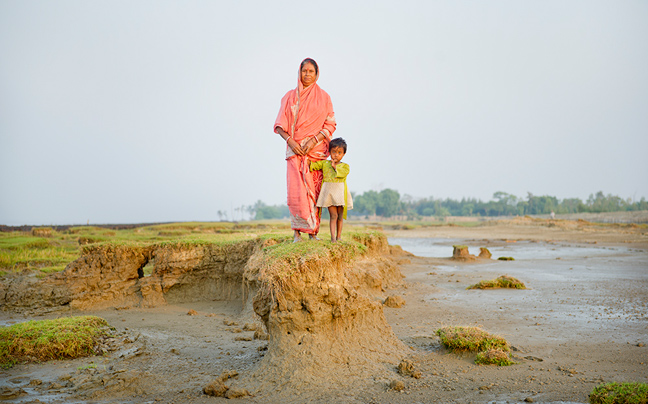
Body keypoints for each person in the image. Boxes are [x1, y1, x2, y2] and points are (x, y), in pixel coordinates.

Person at [274, 58, 336, 242]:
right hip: (295, 153)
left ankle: (313, 233)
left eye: (311, 71)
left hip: (316, 153)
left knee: (315, 194)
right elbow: (279, 126)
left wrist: (314, 141)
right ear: (299, 73)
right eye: (304, 71)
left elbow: (330, 124)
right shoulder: (289, 97)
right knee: (297, 194)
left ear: (317, 74)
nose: (307, 74)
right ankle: (297, 233)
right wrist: (291, 142)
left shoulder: (324, 97)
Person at [309, 138, 353, 243]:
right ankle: (333, 238)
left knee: (340, 216)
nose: (336, 155)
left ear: (344, 154)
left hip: (341, 194)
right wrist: (307, 161)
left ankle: (339, 236)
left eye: (339, 153)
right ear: (329, 152)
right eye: (334, 152)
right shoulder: (325, 164)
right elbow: (314, 165)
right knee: (333, 215)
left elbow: (343, 173)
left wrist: (335, 167)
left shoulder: (345, 166)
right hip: (329, 194)